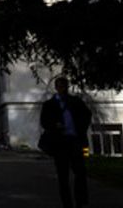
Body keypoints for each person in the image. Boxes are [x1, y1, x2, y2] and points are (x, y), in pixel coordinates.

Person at [40, 76, 92, 208]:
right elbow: (44, 122)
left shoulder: (76, 102)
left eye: (65, 86)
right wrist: (54, 125)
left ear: (67, 87)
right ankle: (67, 203)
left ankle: (80, 201)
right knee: (63, 176)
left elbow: (87, 115)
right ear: (56, 88)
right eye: (60, 86)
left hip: (75, 141)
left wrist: (80, 128)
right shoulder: (49, 105)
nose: (63, 89)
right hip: (60, 143)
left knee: (80, 172)